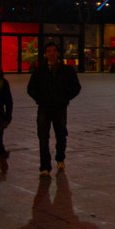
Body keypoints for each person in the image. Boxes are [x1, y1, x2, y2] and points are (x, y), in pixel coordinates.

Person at [27, 42, 81, 176]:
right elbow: (30, 88)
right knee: (43, 137)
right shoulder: (40, 71)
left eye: (54, 51)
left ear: (58, 53)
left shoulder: (67, 70)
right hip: (44, 108)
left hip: (59, 108)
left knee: (61, 135)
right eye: (48, 51)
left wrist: (65, 98)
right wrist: (39, 99)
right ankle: (44, 167)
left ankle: (60, 157)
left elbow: (76, 87)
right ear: (45, 54)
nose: (51, 53)